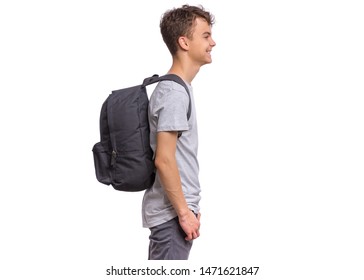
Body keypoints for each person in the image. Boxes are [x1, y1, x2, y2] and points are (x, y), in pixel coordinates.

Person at [142, 5, 216, 260]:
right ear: (184, 42)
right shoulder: (173, 93)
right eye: (206, 36)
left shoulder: (178, 89)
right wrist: (184, 213)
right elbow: (163, 159)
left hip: (175, 214)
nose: (213, 42)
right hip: (171, 216)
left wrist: (190, 208)